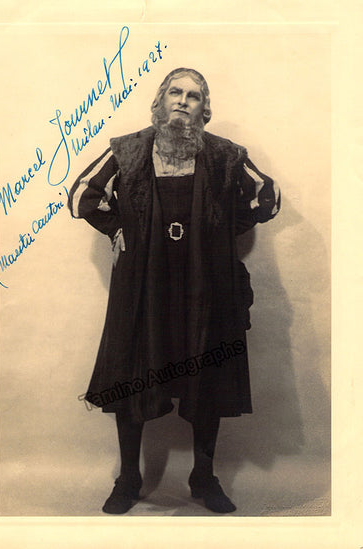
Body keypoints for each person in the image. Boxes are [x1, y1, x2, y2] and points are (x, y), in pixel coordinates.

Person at [68, 67, 280, 515]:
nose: (183, 101)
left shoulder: (225, 154)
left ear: (205, 109)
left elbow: (268, 196)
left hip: (205, 286)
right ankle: (129, 478)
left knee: (208, 375)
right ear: (160, 101)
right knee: (133, 374)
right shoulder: (127, 149)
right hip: (143, 284)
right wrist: (118, 228)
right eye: (175, 92)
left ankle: (203, 476)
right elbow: (80, 194)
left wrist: (222, 231)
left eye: (193, 95)